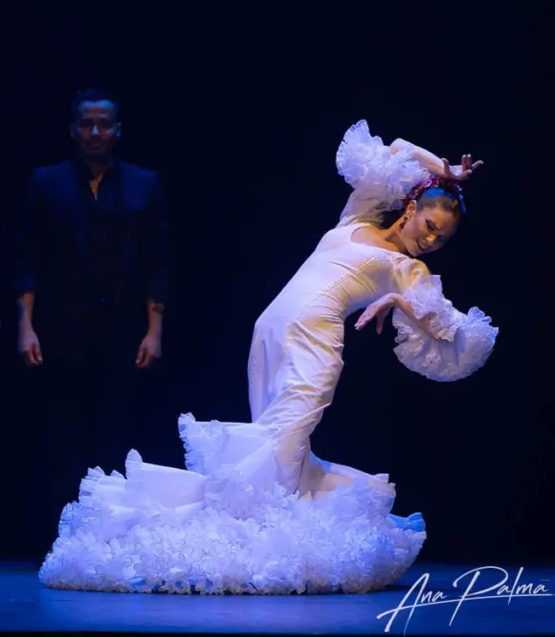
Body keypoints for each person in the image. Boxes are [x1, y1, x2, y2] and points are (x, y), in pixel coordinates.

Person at [38, 119, 498, 595]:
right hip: (272, 332)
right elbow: (395, 147)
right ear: (411, 207)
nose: (432, 241)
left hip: (316, 343)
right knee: (271, 444)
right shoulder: (359, 218)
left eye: (443, 239)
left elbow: (458, 336)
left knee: (279, 447)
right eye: (431, 226)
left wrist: (399, 300)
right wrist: (444, 170)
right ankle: (248, 542)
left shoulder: (410, 270)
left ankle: (242, 549)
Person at [14, 88, 168, 552]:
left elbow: (156, 262)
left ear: (117, 130)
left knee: (115, 435)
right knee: (63, 437)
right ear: (73, 130)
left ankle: (111, 541)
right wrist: (26, 325)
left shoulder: (143, 184)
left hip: (122, 329)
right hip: (61, 329)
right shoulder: (47, 183)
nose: (95, 132)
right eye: (87, 124)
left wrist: (154, 330)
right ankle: (62, 539)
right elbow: (27, 257)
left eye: (104, 124)